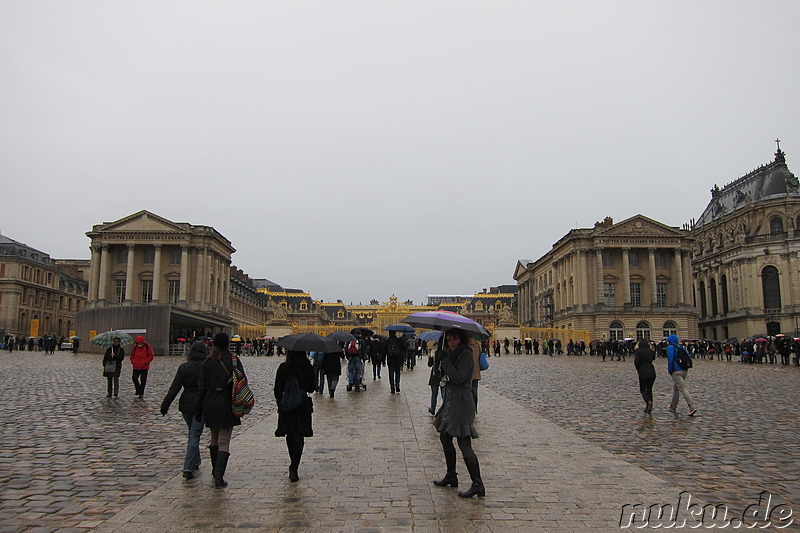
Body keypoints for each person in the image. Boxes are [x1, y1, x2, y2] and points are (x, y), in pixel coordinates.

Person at [432, 328, 485, 498]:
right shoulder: (454, 354)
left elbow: (459, 377)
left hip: (462, 401)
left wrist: (446, 361)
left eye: (454, 339)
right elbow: (447, 377)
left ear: (460, 340)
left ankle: (478, 484)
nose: (451, 343)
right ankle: (451, 475)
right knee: (445, 437)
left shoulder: (466, 354)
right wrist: (438, 364)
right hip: (453, 399)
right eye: (448, 340)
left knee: (464, 442)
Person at [195, 333, 243, 487]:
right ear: (228, 344)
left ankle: (215, 471)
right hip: (227, 403)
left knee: (214, 438)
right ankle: (218, 477)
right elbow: (242, 382)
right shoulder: (234, 360)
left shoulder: (208, 361)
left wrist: (198, 408)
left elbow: (201, 387)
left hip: (210, 403)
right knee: (224, 441)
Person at [161, 341, 208, 480]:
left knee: (193, 432)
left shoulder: (184, 367)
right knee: (194, 434)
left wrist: (165, 405)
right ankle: (188, 467)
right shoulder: (206, 366)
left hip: (186, 404)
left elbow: (174, 388)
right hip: (201, 404)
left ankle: (196, 461)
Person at [274, 350, 315, 482]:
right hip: (302, 403)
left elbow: (277, 388)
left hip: (286, 404)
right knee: (299, 434)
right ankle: (294, 466)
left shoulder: (283, 367)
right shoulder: (307, 367)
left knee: (290, 433)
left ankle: (293, 461)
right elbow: (311, 388)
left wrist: (280, 403)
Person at [666, 334, 697, 416]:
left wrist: (670, 371)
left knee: (683, 389)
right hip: (684, 370)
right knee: (676, 388)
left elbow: (670, 360)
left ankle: (692, 406)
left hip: (676, 371)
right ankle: (673, 406)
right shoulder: (682, 347)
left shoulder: (670, 348)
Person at [633, 339, 656, 413]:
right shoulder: (651, 351)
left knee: (642, 389)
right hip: (651, 370)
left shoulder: (638, 351)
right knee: (649, 389)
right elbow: (653, 358)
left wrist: (638, 369)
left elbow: (636, 361)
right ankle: (649, 406)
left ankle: (648, 401)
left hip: (643, 370)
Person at [427, 340, 445, 415]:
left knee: (434, 393)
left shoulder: (434, 351)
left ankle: (433, 408)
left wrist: (430, 357)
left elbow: (429, 364)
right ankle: (444, 408)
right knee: (444, 393)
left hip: (435, 375)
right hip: (443, 375)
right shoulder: (446, 353)